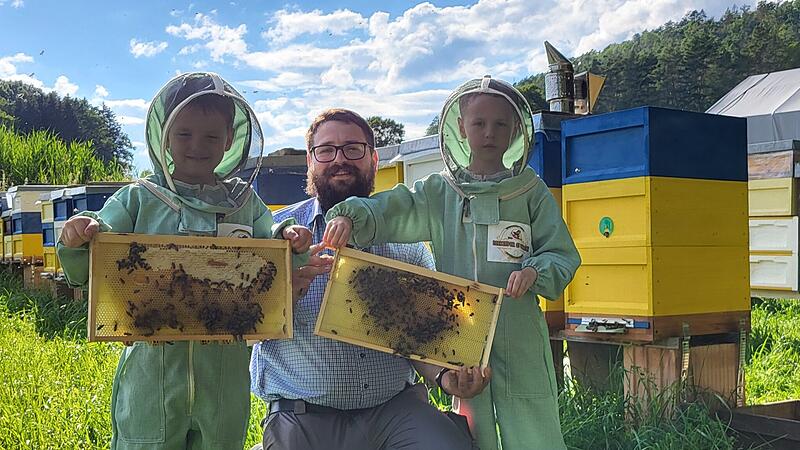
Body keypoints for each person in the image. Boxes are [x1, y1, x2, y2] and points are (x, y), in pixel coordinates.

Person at [57, 72, 311, 450]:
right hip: (153, 371)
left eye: (211, 136)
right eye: (185, 134)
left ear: (229, 139)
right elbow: (95, 256)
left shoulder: (243, 203)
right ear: (165, 137)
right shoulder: (138, 199)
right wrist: (78, 235)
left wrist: (292, 239)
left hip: (223, 373)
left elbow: (274, 249)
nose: (197, 145)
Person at [324, 76, 581, 450]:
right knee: (472, 424)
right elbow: (397, 207)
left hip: (518, 328)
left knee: (532, 418)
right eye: (479, 123)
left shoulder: (529, 190)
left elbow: (561, 253)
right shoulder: (440, 191)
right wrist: (353, 217)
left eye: (500, 124)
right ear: (461, 127)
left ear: (515, 132)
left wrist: (534, 271)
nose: (489, 133)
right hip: (459, 327)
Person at [250, 108, 487, 450]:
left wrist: (447, 376)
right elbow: (241, 331)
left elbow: (425, 337)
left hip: (397, 410)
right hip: (303, 415)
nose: (340, 159)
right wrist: (285, 293)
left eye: (353, 148)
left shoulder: (408, 242)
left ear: (374, 160)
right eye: (326, 150)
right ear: (310, 162)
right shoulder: (276, 233)